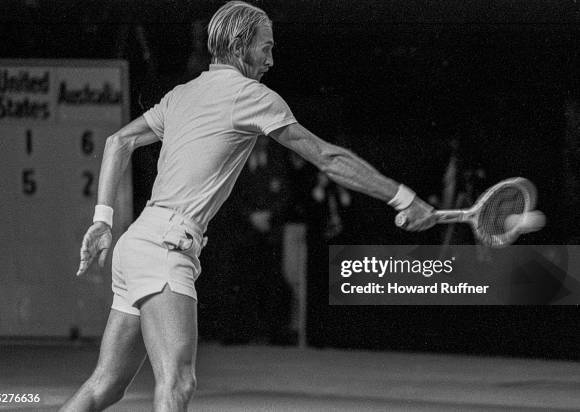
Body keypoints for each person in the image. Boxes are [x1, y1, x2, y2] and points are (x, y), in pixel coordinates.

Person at [61, 2, 435, 411]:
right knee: (178, 384)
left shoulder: (182, 94)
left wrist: (103, 220)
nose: (271, 60)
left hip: (135, 244)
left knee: (106, 386)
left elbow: (118, 142)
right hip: (166, 250)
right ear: (240, 46)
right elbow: (326, 158)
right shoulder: (252, 96)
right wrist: (403, 197)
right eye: (266, 48)